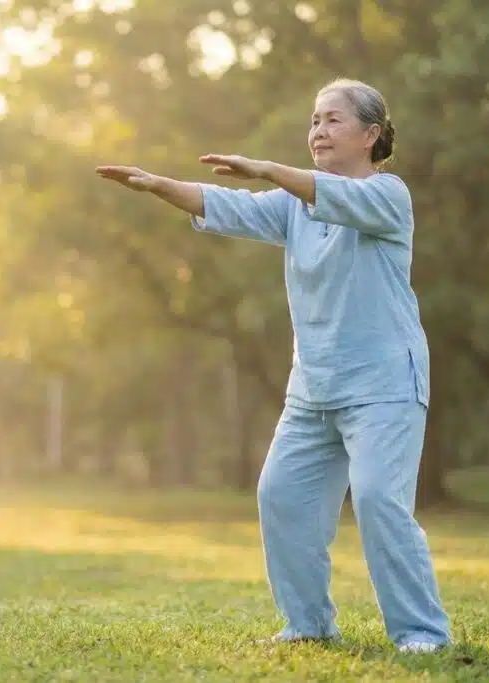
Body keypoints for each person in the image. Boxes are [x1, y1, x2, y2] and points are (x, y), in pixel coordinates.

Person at [95, 78, 451, 654]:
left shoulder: (389, 197)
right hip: (314, 388)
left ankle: (421, 633)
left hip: (384, 383)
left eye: (333, 120)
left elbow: (311, 190)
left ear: (371, 134)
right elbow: (225, 205)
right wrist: (159, 185)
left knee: (380, 501)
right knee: (281, 495)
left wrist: (264, 167)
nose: (318, 131)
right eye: (314, 120)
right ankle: (307, 624)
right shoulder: (296, 208)